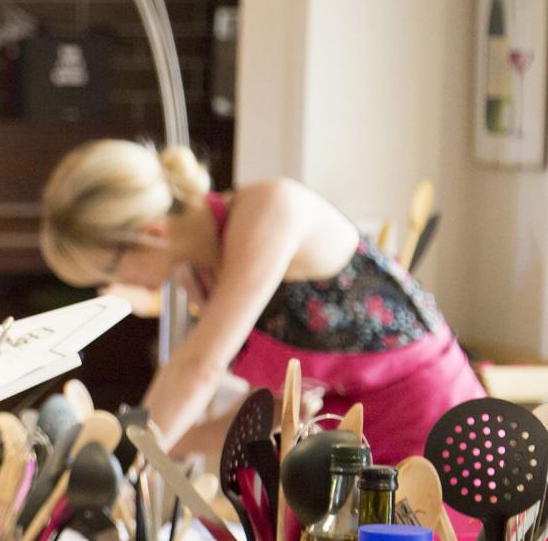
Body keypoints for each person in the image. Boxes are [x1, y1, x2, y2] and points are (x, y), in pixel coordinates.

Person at [39, 138, 484, 467]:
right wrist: (164, 443)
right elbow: (275, 407)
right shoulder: (201, 274)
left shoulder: (272, 209)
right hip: (352, 447)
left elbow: (199, 367)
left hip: (432, 427)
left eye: (110, 270)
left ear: (152, 232)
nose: (117, 285)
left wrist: (122, 462)